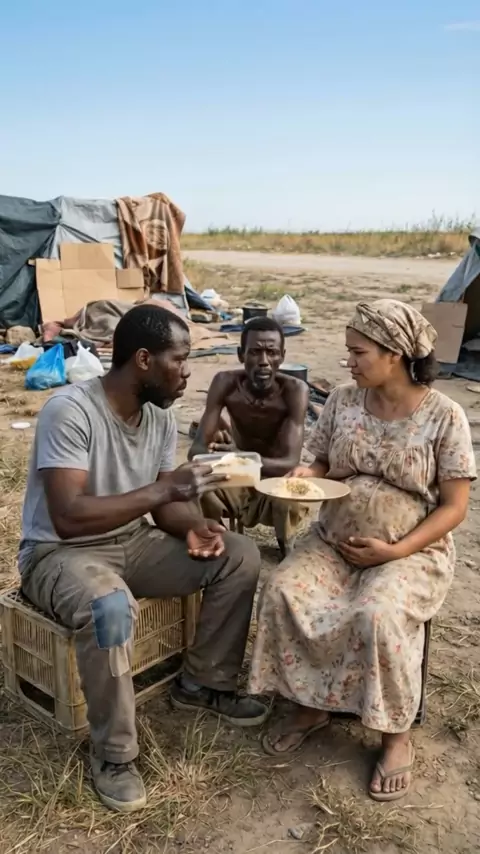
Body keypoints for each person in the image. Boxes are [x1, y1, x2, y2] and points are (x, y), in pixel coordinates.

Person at [19, 304, 267, 815]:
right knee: (110, 607)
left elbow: (165, 503)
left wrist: (192, 526)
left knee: (239, 554)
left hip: (131, 540)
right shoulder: (70, 411)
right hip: (59, 553)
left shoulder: (159, 415)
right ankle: (114, 755)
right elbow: (68, 517)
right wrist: (163, 492)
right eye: (180, 359)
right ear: (144, 360)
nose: (187, 371)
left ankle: (205, 683)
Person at [249, 299, 476, 802]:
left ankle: (395, 735)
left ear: (395, 353)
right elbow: (322, 462)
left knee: (376, 613)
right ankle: (311, 705)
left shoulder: (445, 416)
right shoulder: (343, 400)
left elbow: (454, 507)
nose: (348, 361)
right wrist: (305, 476)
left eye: (359, 352)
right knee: (284, 590)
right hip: (333, 541)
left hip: (412, 551)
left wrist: (395, 551)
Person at [189, 316, 309, 556]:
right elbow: (196, 452)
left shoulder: (295, 391)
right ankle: (218, 540)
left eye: (271, 353)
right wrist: (219, 454)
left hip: (276, 480)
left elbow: (289, 463)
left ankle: (286, 545)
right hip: (238, 478)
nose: (264, 361)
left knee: (289, 496)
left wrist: (239, 457)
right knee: (196, 483)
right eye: (254, 352)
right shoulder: (225, 383)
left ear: (282, 356)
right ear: (240, 355)